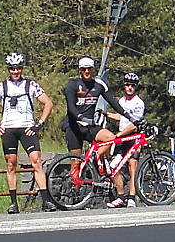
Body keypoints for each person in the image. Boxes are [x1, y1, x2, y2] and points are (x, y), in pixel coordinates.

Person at [0, 52, 55, 214]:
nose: (15, 71)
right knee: (11, 164)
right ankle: (14, 203)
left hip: (27, 128)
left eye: (18, 68)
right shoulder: (2, 86)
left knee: (36, 161)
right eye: (12, 68)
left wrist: (39, 124)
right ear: (8, 69)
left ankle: (46, 201)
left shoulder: (31, 85)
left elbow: (48, 103)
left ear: (22, 68)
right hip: (9, 129)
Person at [62, 56, 132, 157]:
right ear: (80, 70)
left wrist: (130, 117)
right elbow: (71, 107)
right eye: (84, 69)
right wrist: (82, 118)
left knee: (110, 137)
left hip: (89, 125)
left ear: (93, 69)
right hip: (74, 125)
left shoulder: (99, 84)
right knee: (76, 162)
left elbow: (113, 103)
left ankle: (92, 159)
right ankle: (79, 168)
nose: (87, 71)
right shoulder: (72, 84)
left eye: (89, 69)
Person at [105, 72, 148, 208]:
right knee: (113, 166)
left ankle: (131, 198)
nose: (130, 87)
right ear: (124, 85)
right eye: (127, 85)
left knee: (132, 166)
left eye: (132, 85)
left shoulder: (138, 103)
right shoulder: (121, 101)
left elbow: (134, 124)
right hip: (121, 138)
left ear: (136, 87)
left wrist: (119, 134)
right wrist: (107, 114)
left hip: (132, 138)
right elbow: (122, 117)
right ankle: (121, 196)